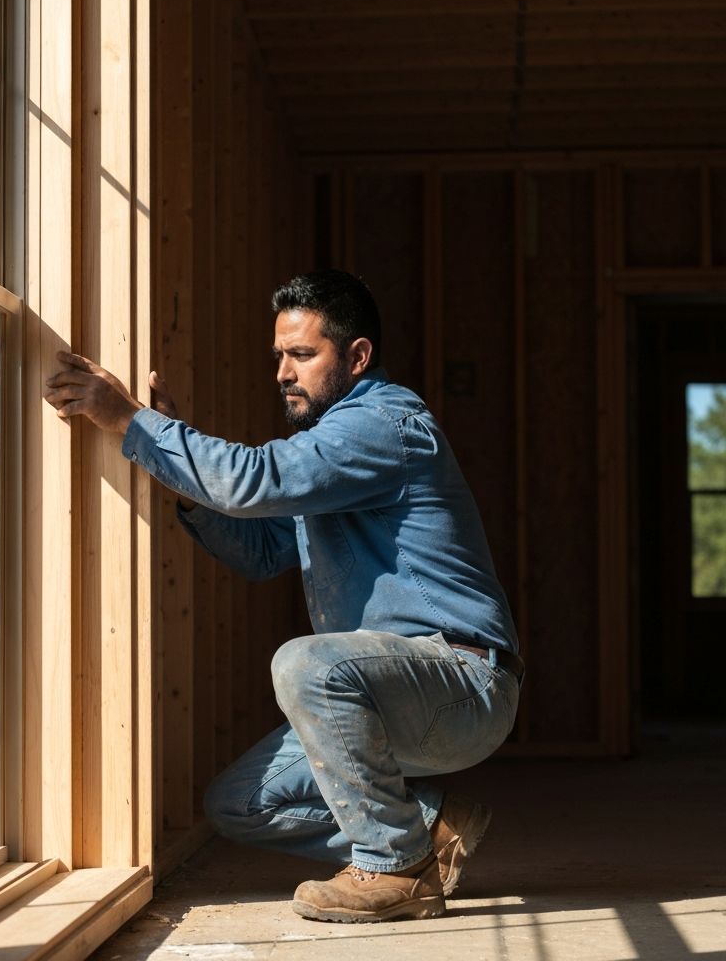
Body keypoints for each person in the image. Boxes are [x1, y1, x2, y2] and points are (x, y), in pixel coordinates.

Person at [45, 269, 522, 924]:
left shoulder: (384, 423)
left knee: (306, 663)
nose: (283, 373)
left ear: (356, 357)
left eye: (303, 355)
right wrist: (186, 483)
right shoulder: (329, 450)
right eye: (279, 356)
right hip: (385, 690)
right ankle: (428, 830)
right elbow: (262, 550)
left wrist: (129, 421)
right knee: (240, 802)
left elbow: (257, 480)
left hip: (461, 683)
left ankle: (395, 868)